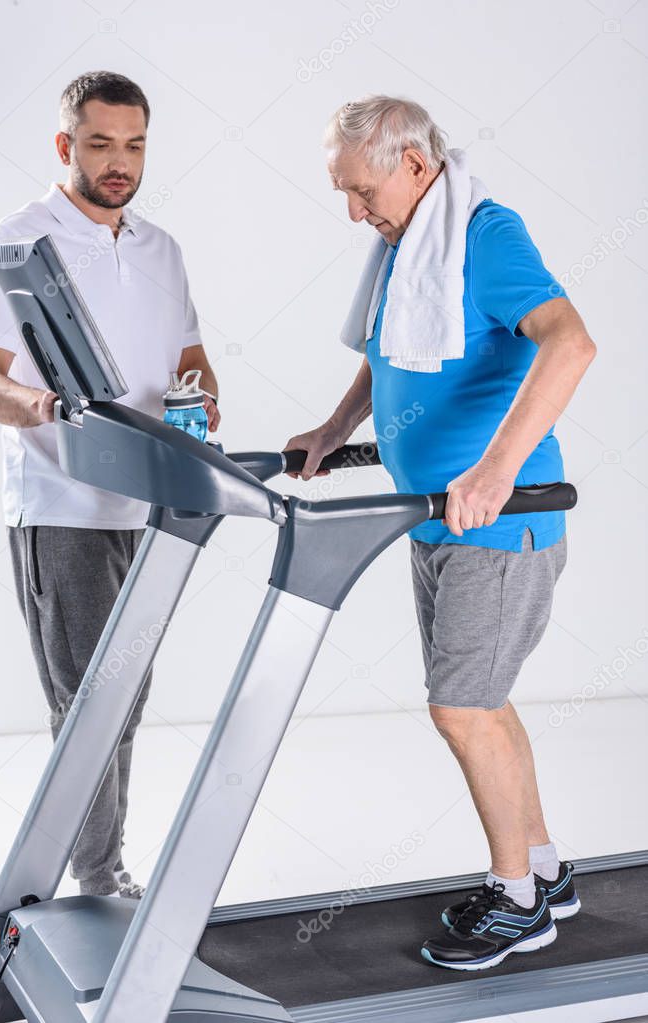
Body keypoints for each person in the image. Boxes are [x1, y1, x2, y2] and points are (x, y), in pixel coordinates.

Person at [285, 95, 596, 970]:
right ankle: (544, 870)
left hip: (501, 522)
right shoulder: (411, 244)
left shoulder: (485, 234)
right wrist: (334, 426)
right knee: (483, 704)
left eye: (359, 190)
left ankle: (517, 902)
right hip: (439, 523)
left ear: (413, 166)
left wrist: (496, 469)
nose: (353, 211)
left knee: (459, 709)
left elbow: (569, 343)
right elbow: (389, 350)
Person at [0, 70, 220, 900]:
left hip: (150, 503)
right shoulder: (22, 237)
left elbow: (189, 356)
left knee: (127, 697)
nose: (121, 162)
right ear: (64, 144)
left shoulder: (162, 248)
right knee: (87, 705)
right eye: (102, 143)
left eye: (135, 144)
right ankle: (96, 879)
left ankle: (99, 870)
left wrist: (202, 393)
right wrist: (37, 405)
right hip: (63, 504)